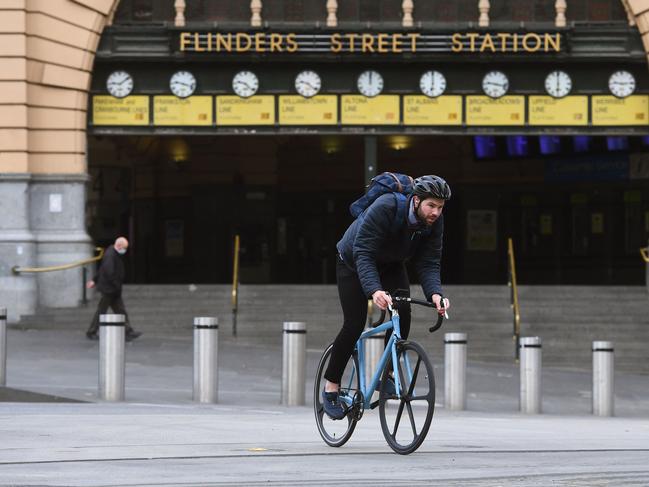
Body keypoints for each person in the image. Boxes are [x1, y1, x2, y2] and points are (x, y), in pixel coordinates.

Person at [322, 175, 451, 420]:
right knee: (354, 323)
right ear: (415, 200)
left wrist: (435, 294)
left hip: (391, 264)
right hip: (353, 261)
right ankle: (331, 386)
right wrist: (374, 290)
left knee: (403, 314)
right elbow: (363, 252)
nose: (436, 212)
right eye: (431, 206)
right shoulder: (387, 207)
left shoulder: (435, 222)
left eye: (440, 207)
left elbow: (429, 262)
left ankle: (387, 376)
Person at [85, 237, 142, 342]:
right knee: (102, 311)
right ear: (119, 245)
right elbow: (108, 271)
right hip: (109, 289)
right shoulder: (111, 255)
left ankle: (128, 331)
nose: (125, 250)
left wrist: (94, 280)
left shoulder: (112, 253)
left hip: (113, 289)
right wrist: (116, 285)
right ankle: (91, 332)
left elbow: (102, 269)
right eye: (124, 248)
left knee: (120, 310)